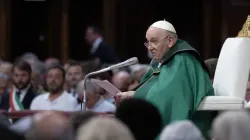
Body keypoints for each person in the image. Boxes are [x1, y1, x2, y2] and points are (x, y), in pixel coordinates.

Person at [114, 20, 215, 138]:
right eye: (148, 43)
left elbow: (168, 96)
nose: (149, 48)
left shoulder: (182, 60)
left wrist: (135, 96)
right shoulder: (165, 60)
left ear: (170, 41)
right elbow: (156, 88)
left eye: (154, 41)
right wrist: (132, 94)